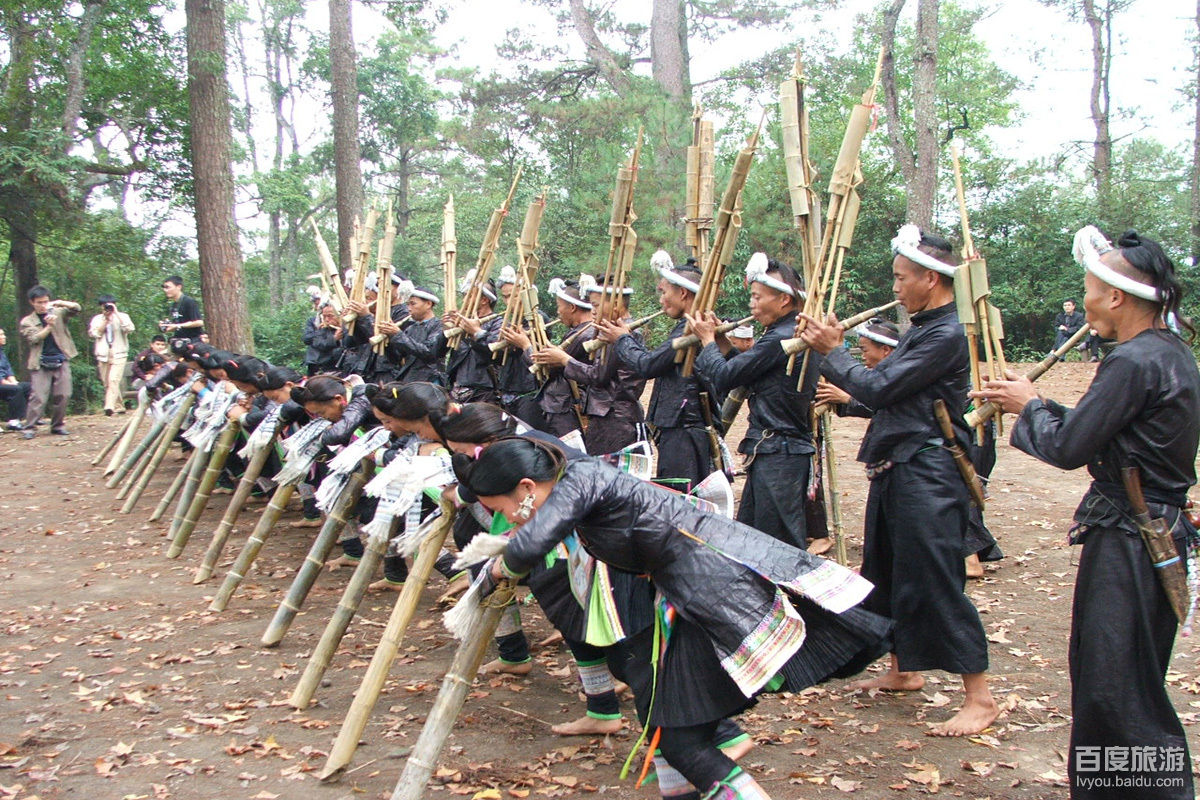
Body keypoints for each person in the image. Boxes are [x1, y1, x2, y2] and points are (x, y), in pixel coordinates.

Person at [466, 437, 890, 800]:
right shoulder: (577, 482)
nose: (510, 519)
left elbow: (528, 547)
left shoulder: (582, 479)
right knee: (661, 717)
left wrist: (498, 569)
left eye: (504, 508)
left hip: (710, 595)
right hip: (685, 598)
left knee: (679, 739)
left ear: (526, 486)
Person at [975, 228, 1197, 800]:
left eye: (1090, 290)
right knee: (1123, 679)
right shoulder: (1168, 352)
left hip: (1131, 539)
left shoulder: (1133, 360)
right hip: (1150, 533)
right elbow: (1108, 430)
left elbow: (1070, 446)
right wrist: (1037, 405)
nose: (1086, 301)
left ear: (1116, 297)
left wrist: (1030, 407)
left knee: (1115, 687)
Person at [798, 225, 997, 736]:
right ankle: (903, 670)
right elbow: (896, 398)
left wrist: (832, 351)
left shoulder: (948, 335)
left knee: (935, 579)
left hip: (929, 475)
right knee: (886, 574)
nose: (895, 287)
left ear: (930, 279)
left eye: (901, 277)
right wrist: (843, 373)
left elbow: (882, 387)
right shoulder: (923, 330)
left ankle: (980, 698)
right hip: (899, 470)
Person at [690, 254, 823, 553]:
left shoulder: (783, 337)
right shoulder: (784, 333)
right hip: (774, 451)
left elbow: (724, 377)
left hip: (780, 454)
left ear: (784, 300)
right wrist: (722, 343)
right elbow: (749, 371)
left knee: (778, 545)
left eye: (757, 297)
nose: (751, 304)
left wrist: (708, 342)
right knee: (753, 536)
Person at [599, 253, 718, 493]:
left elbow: (648, 366)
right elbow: (654, 361)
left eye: (664, 293)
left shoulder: (689, 332)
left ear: (682, 293)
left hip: (685, 430)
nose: (662, 300)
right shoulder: (686, 328)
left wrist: (622, 340)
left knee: (680, 497)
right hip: (680, 428)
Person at [535, 276, 647, 455]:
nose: (592, 311)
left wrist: (564, 360)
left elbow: (597, 375)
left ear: (615, 304)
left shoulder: (620, 333)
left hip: (615, 417)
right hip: (608, 415)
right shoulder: (614, 330)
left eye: (595, 305)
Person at [19, 286, 81, 438]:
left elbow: (76, 309)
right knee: (38, 397)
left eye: (45, 301)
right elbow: (34, 339)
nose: (43, 305)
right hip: (40, 362)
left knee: (64, 394)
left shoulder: (58, 313)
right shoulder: (27, 321)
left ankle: (57, 425)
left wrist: (60, 302)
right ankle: (29, 427)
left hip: (61, 358)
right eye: (39, 302)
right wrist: (49, 327)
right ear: (32, 302)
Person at [88, 294, 136, 416]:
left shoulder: (123, 317)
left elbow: (130, 329)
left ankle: (109, 406)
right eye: (105, 306)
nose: (108, 308)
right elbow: (95, 334)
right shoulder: (97, 319)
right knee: (107, 383)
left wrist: (116, 314)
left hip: (119, 353)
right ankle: (119, 406)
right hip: (103, 354)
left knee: (114, 379)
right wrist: (105, 320)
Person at [0, 328, 31, 429]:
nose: (4, 337)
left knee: (28, 387)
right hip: (1, 383)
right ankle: (13, 421)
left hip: (3, 383)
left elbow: (7, 369)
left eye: (3, 334)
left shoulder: (1, 352)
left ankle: (29, 417)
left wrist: (13, 381)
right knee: (16, 389)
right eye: (1, 335)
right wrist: (8, 383)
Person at [303, 303, 344, 376]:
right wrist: (334, 339)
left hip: (336, 367)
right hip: (317, 366)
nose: (326, 319)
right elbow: (314, 342)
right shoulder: (320, 327)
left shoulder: (346, 328)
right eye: (324, 316)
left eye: (330, 316)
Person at [161, 275, 204, 340]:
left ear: (179, 287)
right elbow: (178, 325)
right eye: (164, 288)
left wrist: (178, 325)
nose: (165, 290)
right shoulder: (174, 305)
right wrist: (166, 326)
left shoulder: (189, 301)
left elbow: (199, 322)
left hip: (193, 341)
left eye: (168, 287)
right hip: (179, 341)